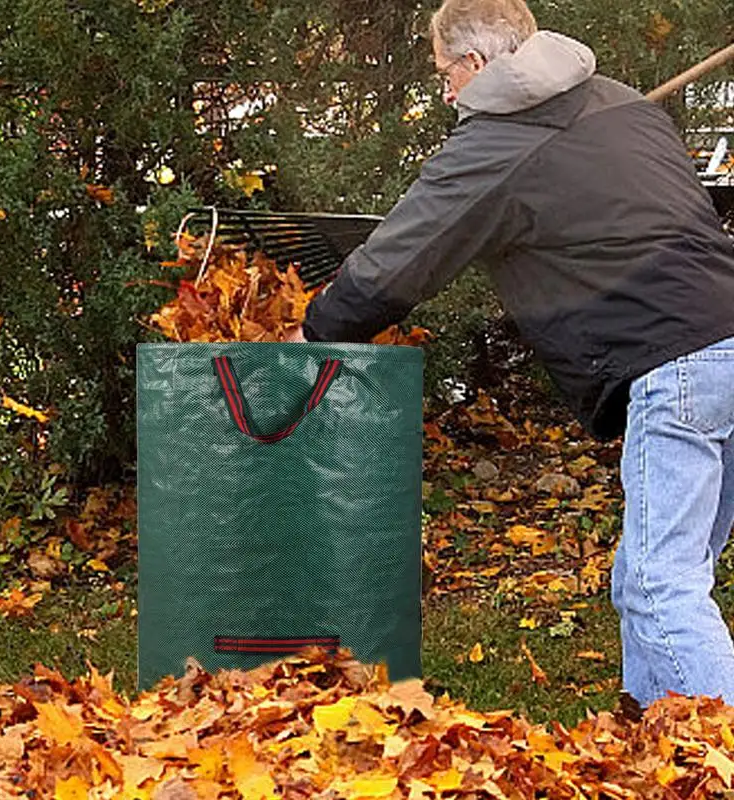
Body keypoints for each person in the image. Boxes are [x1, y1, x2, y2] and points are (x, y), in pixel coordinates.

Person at [286, 0, 734, 712]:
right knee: (657, 574)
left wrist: (316, 331)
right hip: (723, 342)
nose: (446, 94)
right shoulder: (617, 103)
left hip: (679, 365)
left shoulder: (498, 142)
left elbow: (405, 258)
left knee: (659, 584)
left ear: (477, 65)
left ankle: (714, 761)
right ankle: (659, 747)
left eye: (444, 76)